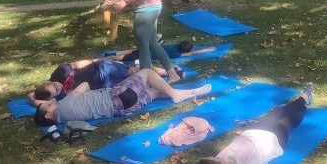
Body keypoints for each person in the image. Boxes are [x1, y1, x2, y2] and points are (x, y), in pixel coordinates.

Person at [165, 83, 316, 164]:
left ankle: (301, 100)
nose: (213, 156)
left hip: (253, 131)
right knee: (291, 117)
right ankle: (304, 100)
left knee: (278, 111)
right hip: (275, 138)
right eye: (216, 159)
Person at [34, 68, 210, 126]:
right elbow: (85, 85)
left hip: (124, 108)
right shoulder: (63, 106)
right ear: (49, 114)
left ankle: (192, 92)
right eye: (47, 105)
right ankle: (175, 94)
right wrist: (81, 92)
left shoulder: (64, 120)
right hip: (116, 96)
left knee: (155, 92)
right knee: (147, 73)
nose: (50, 102)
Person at [106, 40, 216, 65]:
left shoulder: (174, 46)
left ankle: (115, 54)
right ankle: (109, 57)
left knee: (131, 52)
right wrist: (207, 50)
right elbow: (192, 53)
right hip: (146, 55)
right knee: (125, 57)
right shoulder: (177, 54)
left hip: (148, 48)